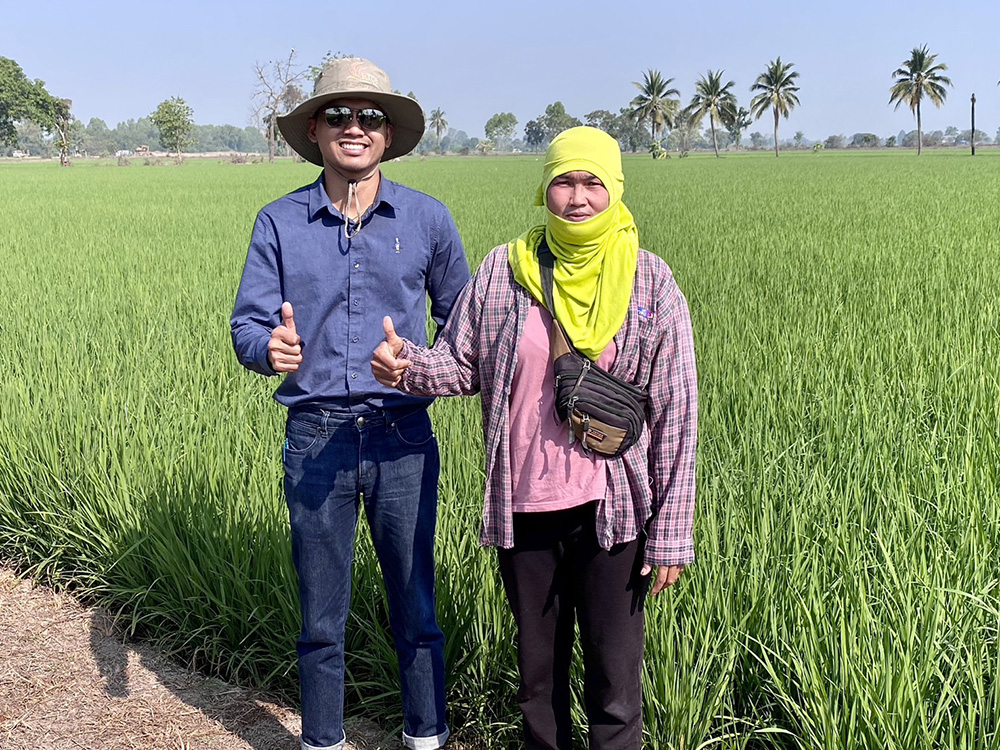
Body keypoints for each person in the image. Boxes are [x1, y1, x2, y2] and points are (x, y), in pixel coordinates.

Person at [371, 126, 697, 750]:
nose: (578, 198)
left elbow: (678, 414)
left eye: (592, 183)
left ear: (615, 189)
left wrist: (672, 532)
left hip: (615, 515)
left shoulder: (651, 284)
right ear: (544, 189)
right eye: (564, 182)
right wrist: (406, 364)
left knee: (615, 690)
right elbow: (462, 363)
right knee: (538, 688)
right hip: (525, 510)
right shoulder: (503, 271)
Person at [230, 57, 470, 750]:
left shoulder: (427, 219)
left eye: (370, 116)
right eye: (338, 114)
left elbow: (464, 327)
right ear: (315, 129)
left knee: (415, 603)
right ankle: (325, 740)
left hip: (401, 437)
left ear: (389, 135)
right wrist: (264, 348)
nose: (354, 127)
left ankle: (425, 736)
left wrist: (418, 365)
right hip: (316, 438)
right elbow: (247, 323)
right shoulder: (278, 222)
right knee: (320, 615)